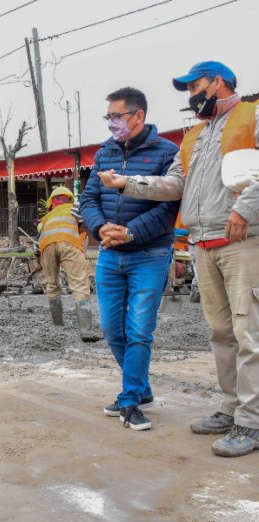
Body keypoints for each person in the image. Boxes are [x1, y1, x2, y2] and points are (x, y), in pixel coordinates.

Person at [99, 62, 259, 456]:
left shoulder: (252, 116)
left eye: (195, 86)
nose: (191, 96)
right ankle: (232, 407)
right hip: (204, 243)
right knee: (221, 333)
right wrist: (127, 183)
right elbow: (176, 184)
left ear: (218, 83)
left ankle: (252, 421)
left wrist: (245, 209)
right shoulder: (196, 135)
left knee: (249, 333)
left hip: (242, 240)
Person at [80, 87, 180, 432]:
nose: (111, 123)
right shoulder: (104, 152)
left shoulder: (167, 152)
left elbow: (170, 206)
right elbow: (89, 199)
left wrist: (132, 232)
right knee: (112, 329)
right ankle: (141, 388)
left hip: (149, 254)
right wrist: (100, 227)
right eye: (108, 116)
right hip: (109, 253)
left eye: (117, 116)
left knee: (139, 330)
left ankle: (130, 400)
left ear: (139, 116)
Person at [33, 187, 98, 342]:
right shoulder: (74, 208)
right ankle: (86, 330)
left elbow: (36, 245)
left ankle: (58, 325)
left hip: (47, 247)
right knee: (79, 285)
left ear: (51, 202)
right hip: (69, 244)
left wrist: (38, 263)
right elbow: (85, 225)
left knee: (52, 285)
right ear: (69, 199)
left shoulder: (46, 218)